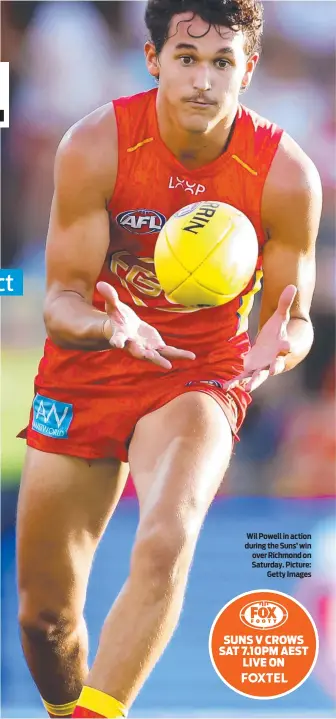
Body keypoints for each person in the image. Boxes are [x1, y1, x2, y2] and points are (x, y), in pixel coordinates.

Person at [16, 1, 322, 717]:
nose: (204, 81)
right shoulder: (96, 143)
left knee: (167, 535)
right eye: (187, 58)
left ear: (249, 68)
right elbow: (57, 298)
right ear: (154, 60)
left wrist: (282, 348)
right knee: (44, 621)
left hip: (198, 370)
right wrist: (106, 326)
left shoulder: (284, 174)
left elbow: (293, 318)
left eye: (222, 62)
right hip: (89, 363)